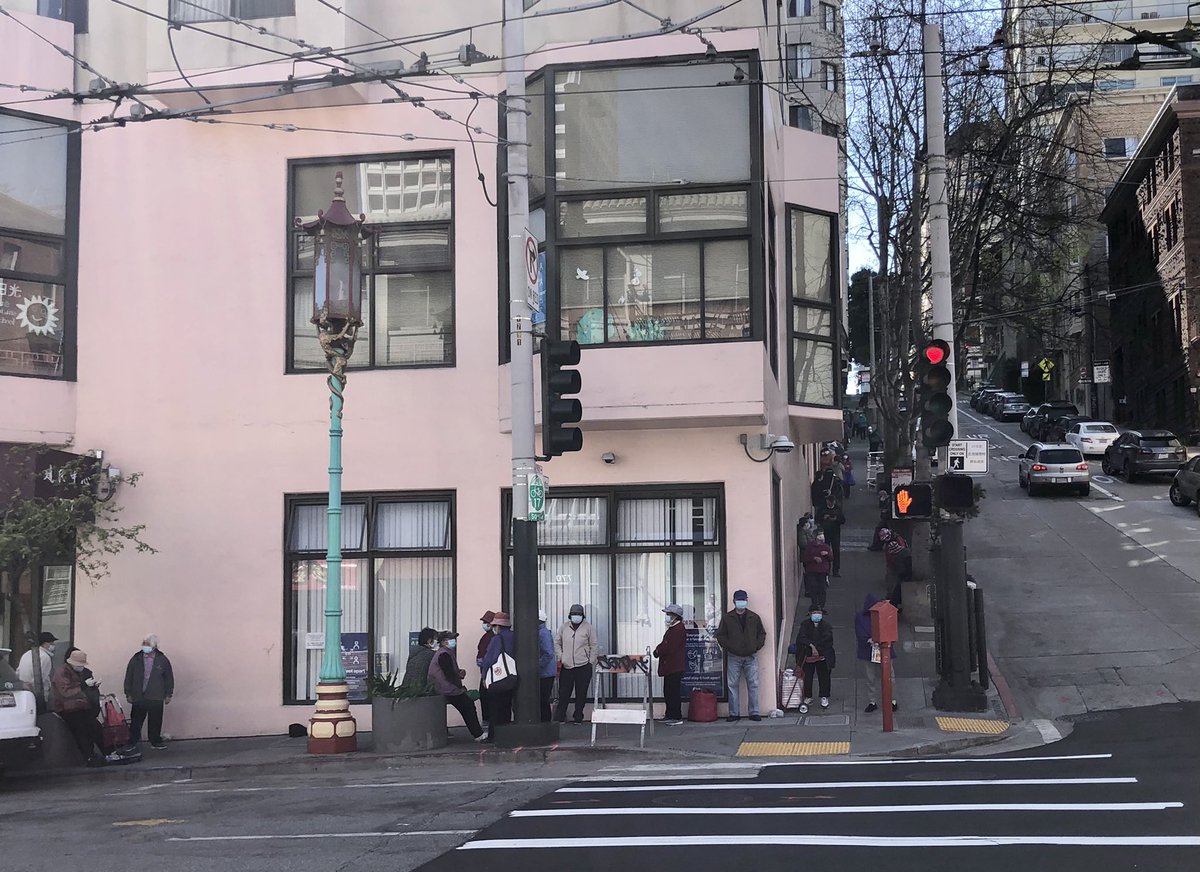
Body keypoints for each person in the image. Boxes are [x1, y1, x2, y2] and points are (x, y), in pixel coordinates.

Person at [715, 590, 766, 722]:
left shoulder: (754, 617)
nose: (741, 602)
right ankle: (734, 713)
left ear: (747, 600)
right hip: (733, 655)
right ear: (734, 601)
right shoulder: (727, 618)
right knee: (732, 685)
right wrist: (729, 647)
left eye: (743, 599)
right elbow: (720, 635)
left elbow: (762, 633)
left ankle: (754, 712)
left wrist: (756, 646)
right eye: (739, 600)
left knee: (753, 684)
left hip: (751, 655)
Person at [428, 631, 485, 742]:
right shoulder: (444, 654)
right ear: (444, 642)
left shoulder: (444, 653)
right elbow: (449, 675)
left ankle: (477, 733)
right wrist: (459, 688)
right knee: (467, 706)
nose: (454, 642)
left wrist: (458, 673)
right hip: (447, 689)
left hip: (443, 688)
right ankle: (478, 734)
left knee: (467, 705)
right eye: (451, 639)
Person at [53, 650, 107, 766]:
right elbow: (66, 692)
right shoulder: (62, 672)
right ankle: (89, 757)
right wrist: (84, 686)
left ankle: (104, 753)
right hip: (67, 707)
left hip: (80, 705)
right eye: (80, 665)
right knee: (81, 730)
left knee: (95, 727)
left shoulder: (74, 671)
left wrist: (91, 686)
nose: (82, 667)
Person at [123, 634, 175, 751]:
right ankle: (132, 742)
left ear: (155, 646)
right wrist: (128, 693)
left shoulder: (162, 659)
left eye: (147, 644)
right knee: (136, 721)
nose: (145, 646)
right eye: (144, 643)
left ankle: (155, 741)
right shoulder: (136, 658)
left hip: (156, 695)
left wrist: (168, 694)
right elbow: (129, 676)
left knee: (155, 721)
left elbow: (168, 678)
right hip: (138, 695)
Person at [554, 603, 598, 724]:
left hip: (583, 665)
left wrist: (591, 661)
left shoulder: (588, 627)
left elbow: (594, 645)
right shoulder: (564, 627)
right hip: (567, 665)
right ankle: (560, 717)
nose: (576, 616)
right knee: (564, 693)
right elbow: (557, 643)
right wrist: (561, 656)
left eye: (578, 614)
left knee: (581, 693)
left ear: (583, 616)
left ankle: (578, 717)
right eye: (574, 614)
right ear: (570, 615)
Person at [855, 595, 898, 714]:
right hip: (869, 651)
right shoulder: (861, 617)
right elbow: (860, 632)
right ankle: (872, 701)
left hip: (882, 649)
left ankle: (891, 700)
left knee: (889, 677)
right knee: (870, 678)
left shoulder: (882, 614)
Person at [480, 612, 516, 743]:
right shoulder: (514, 637)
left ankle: (493, 736)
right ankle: (505, 734)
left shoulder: (497, 639)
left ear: (497, 626)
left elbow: (490, 659)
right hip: (512, 676)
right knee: (506, 706)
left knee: (495, 708)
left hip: (498, 678)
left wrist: (484, 676)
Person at [795, 606, 836, 713]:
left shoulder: (826, 626)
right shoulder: (805, 624)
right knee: (807, 676)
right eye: (814, 612)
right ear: (810, 614)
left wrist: (817, 648)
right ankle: (808, 696)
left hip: (823, 655)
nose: (817, 615)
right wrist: (811, 646)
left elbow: (828, 639)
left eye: (819, 612)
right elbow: (801, 638)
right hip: (808, 655)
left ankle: (824, 696)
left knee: (824, 676)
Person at [654, 604, 686, 725]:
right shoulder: (673, 629)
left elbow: (669, 647)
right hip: (670, 666)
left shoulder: (678, 629)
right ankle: (670, 714)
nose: (667, 617)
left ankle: (675, 716)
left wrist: (658, 651)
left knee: (673, 692)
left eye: (669, 614)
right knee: (668, 691)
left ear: (675, 616)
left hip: (674, 666)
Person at [16, 631, 56, 713]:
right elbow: (41, 678)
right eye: (51, 643)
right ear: (45, 644)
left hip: (22, 691)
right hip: (37, 695)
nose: (53, 645)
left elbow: (18, 671)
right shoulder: (45, 657)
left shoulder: (27, 653)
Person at [878, 528, 912, 609]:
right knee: (891, 583)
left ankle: (890, 603)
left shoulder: (897, 545)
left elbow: (902, 569)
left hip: (894, 566)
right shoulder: (896, 541)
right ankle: (890, 601)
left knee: (893, 585)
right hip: (892, 565)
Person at [815, 494, 846, 577]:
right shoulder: (822, 509)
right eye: (830, 503)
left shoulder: (837, 508)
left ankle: (836, 570)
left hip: (835, 532)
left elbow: (843, 520)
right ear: (827, 501)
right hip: (825, 532)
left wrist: (836, 519)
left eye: (832, 503)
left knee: (836, 552)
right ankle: (826, 569)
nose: (831, 504)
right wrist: (823, 518)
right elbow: (817, 519)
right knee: (825, 551)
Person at [802, 530, 834, 610]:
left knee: (822, 589)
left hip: (823, 571)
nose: (822, 536)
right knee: (813, 588)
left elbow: (831, 558)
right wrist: (814, 558)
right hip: (812, 571)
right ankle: (815, 604)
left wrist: (827, 554)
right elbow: (805, 558)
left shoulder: (826, 547)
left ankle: (821, 605)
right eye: (820, 535)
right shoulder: (810, 547)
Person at [476, 610, 496, 726]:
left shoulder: (492, 637)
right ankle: (488, 719)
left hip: (489, 671)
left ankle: (488, 720)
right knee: (485, 696)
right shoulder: (487, 636)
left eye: (486, 622)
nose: (484, 624)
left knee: (486, 696)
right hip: (486, 670)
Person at [537, 610, 556, 723]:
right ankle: (545, 721)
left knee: (543, 700)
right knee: (542, 700)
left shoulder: (542, 633)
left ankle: (545, 722)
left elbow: (548, 653)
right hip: (546, 672)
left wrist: (537, 666)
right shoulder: (543, 632)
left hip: (545, 673)